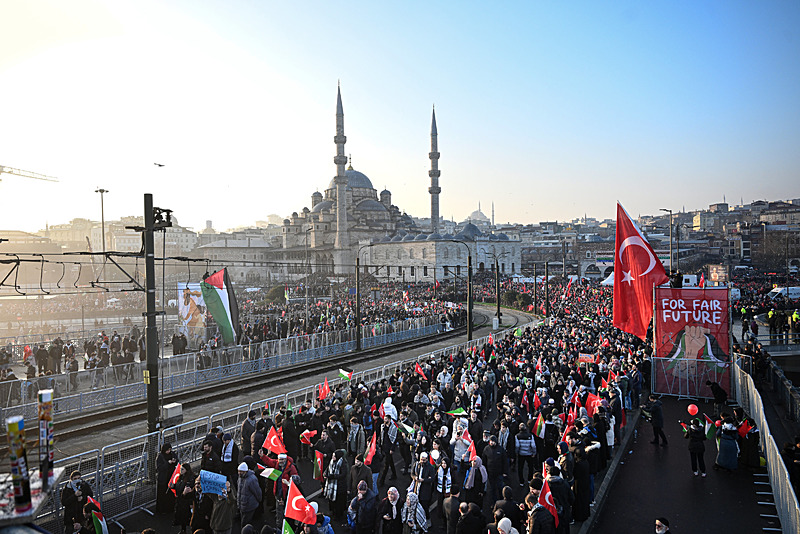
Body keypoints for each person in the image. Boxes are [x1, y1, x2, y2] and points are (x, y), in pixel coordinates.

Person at [324, 449, 349, 522]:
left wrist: (333, 476)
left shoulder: (343, 464)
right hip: (332, 487)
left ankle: (338, 515)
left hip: (340, 487)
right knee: (332, 501)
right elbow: (328, 469)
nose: (332, 457)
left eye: (334, 456)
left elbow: (342, 475)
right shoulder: (332, 462)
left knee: (339, 503)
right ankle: (333, 512)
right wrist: (325, 473)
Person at [237, 462, 263, 527]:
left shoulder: (252, 479)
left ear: (245, 471)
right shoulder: (240, 477)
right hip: (242, 505)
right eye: (238, 471)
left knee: (245, 523)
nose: (239, 473)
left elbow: (257, 492)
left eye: (241, 472)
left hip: (249, 506)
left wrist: (259, 500)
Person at [156, 442, 179, 514]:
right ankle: (161, 510)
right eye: (167, 450)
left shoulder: (172, 454)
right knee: (162, 494)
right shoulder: (160, 456)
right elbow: (159, 468)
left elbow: (177, 461)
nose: (169, 451)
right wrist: (167, 463)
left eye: (170, 450)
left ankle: (170, 508)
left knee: (170, 494)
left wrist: (175, 461)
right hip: (163, 479)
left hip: (171, 477)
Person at [173, 464, 195, 534]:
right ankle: (183, 529)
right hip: (180, 500)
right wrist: (173, 486)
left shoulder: (190, 479)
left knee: (186, 516)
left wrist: (191, 503)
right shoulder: (181, 477)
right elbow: (178, 486)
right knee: (181, 516)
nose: (180, 471)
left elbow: (191, 493)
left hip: (185, 501)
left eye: (182, 469)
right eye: (180, 469)